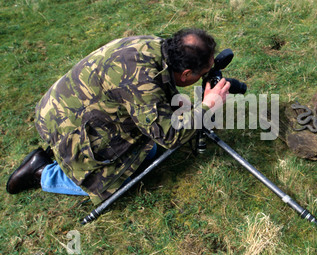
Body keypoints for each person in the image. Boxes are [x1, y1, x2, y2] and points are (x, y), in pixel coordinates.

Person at [6, 28, 230, 205]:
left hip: (62, 109)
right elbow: (169, 136)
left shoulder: (158, 47)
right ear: (186, 74)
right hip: (66, 123)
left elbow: (155, 89)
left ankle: (64, 155)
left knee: (149, 149)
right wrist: (206, 106)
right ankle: (43, 173)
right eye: (203, 73)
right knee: (134, 167)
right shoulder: (143, 82)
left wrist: (186, 106)